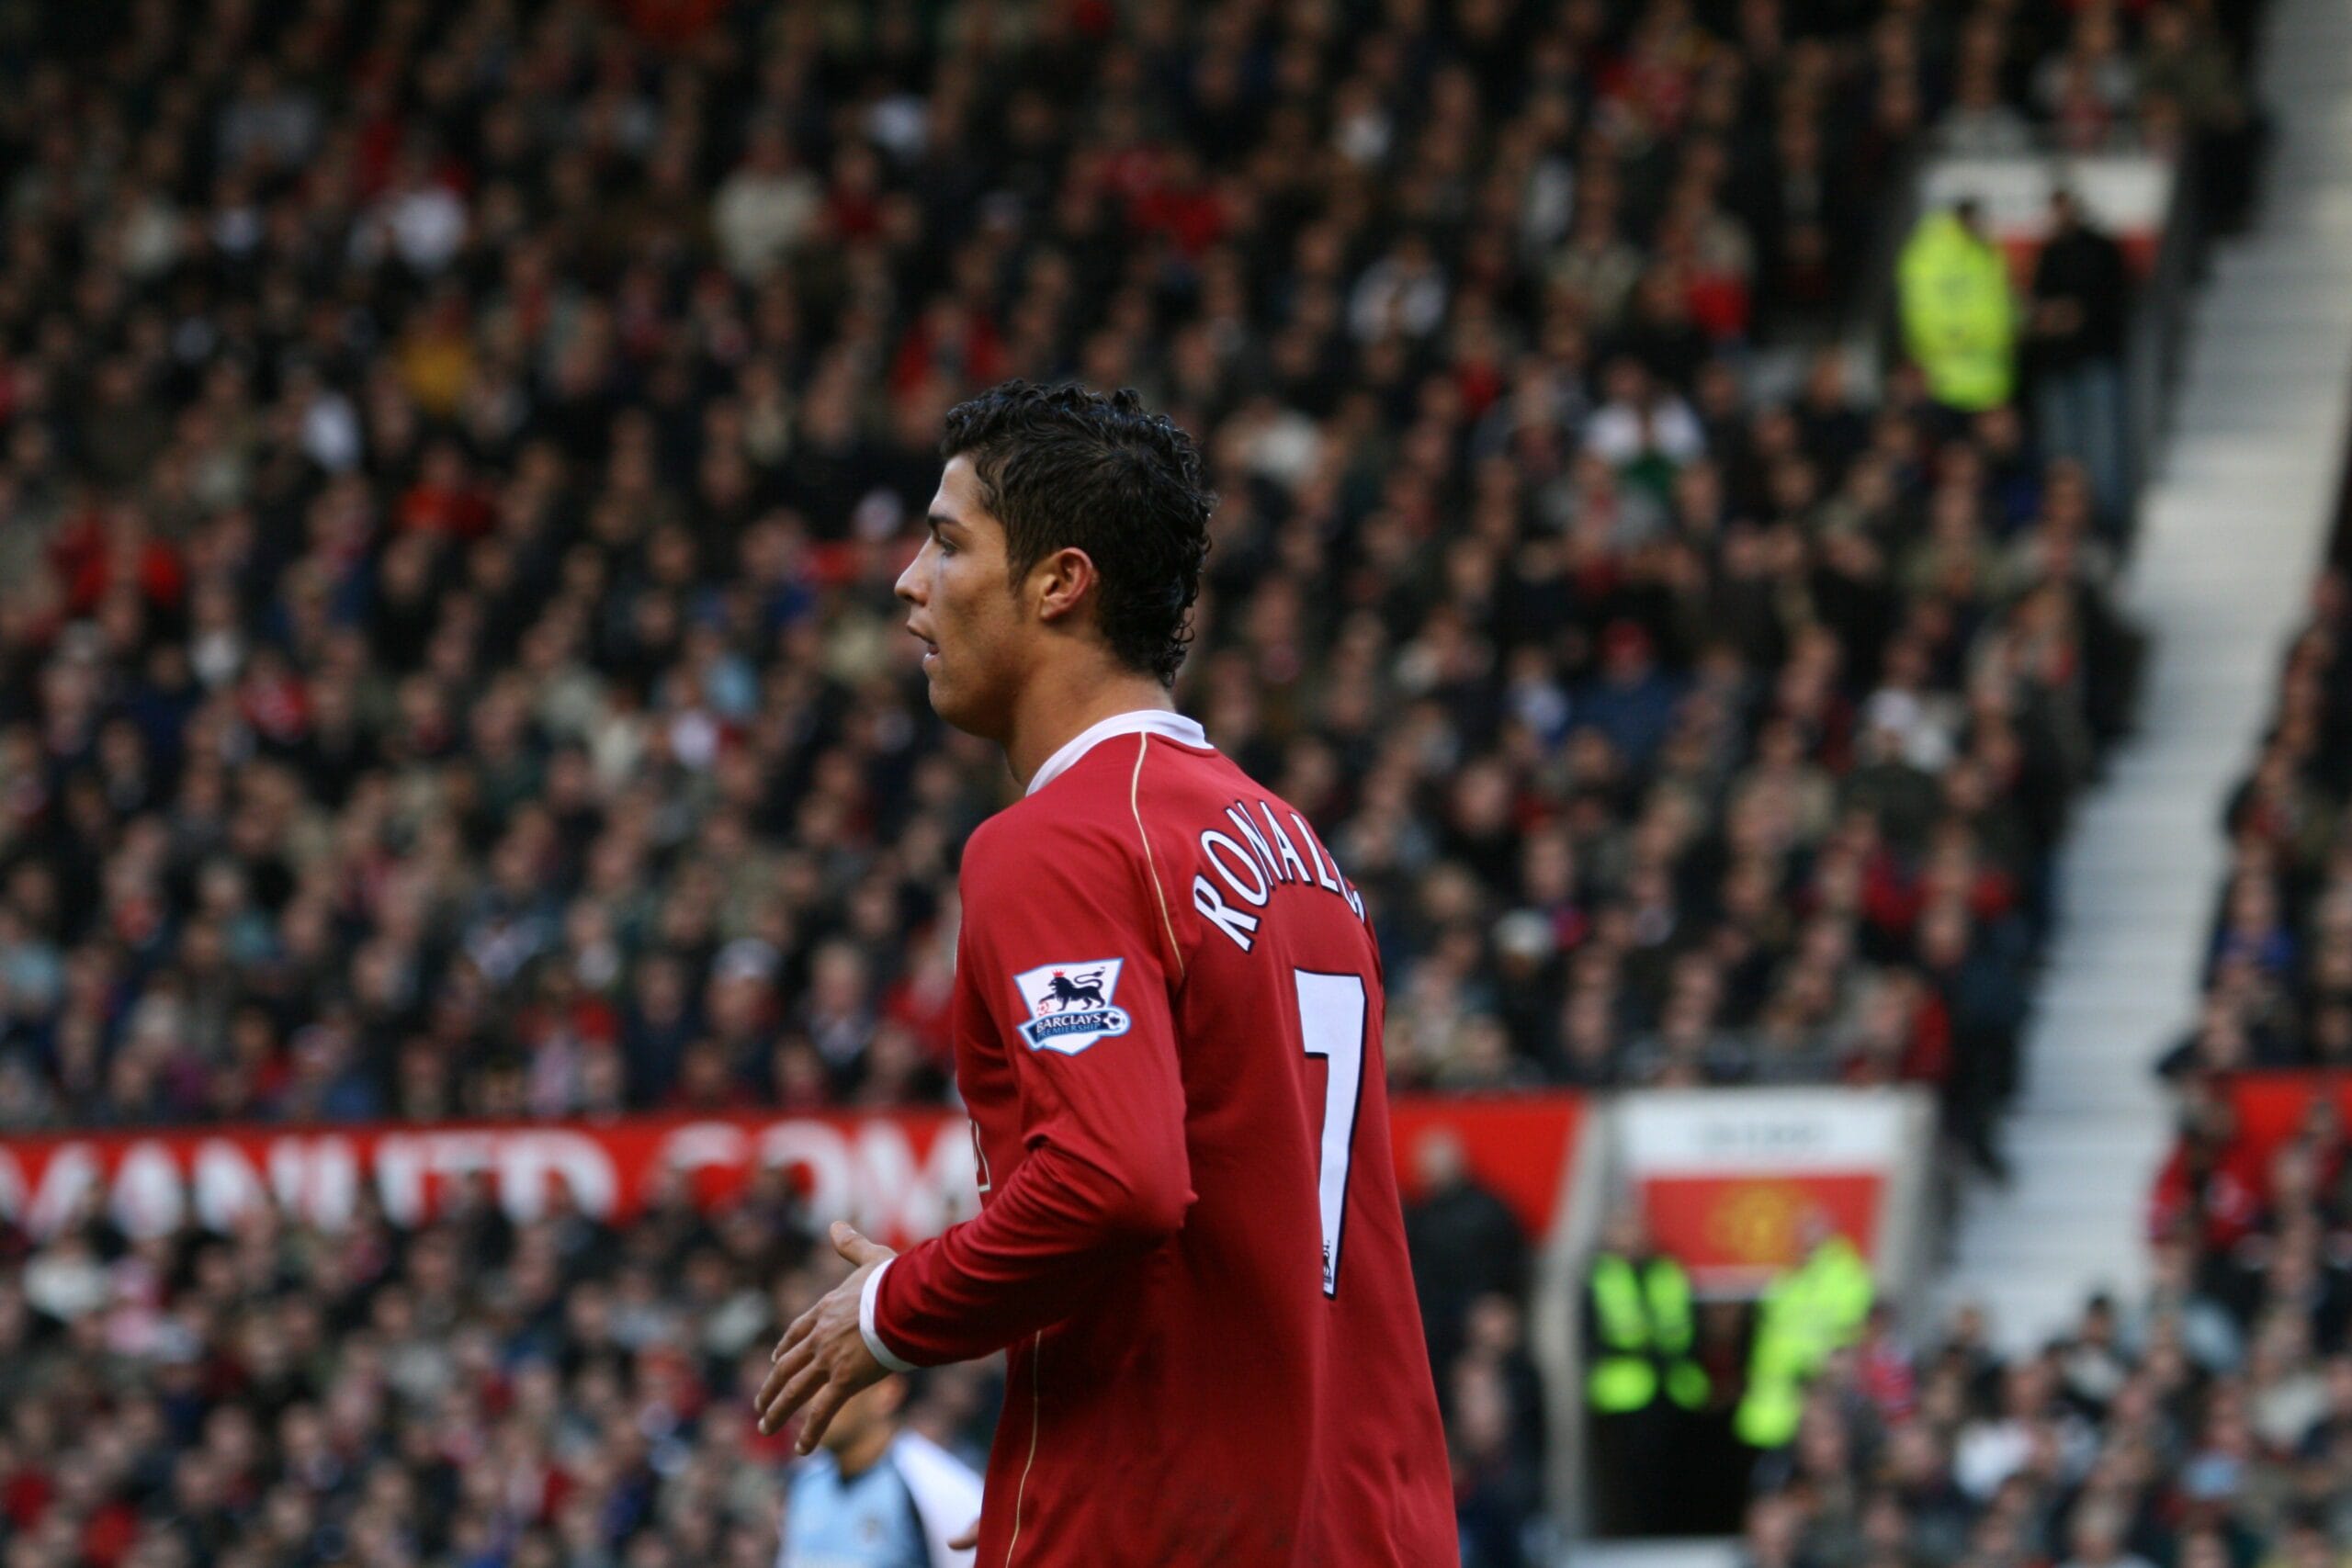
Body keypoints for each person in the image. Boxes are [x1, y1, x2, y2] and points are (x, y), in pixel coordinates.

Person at [754, 382, 1457, 1565]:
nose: (909, 583)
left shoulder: (1061, 841)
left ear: (1058, 583)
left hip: (1176, 1528)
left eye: (945, 543)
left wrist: (892, 1311)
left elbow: (1115, 1182)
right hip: (1357, 1524)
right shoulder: (1300, 853)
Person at [1582, 1207, 1708, 1537]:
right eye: (1620, 1229)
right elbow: (1591, 1340)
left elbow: (1693, 1326)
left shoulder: (1668, 1272)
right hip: (1623, 1395)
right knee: (1628, 1479)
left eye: (1633, 1228)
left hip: (1674, 1388)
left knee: (1676, 1473)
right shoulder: (1601, 1276)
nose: (1628, 1237)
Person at [775, 1375, 982, 1568]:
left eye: (830, 1381)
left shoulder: (940, 1488)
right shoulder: (804, 1479)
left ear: (887, 1392)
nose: (810, 1401)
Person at [2028, 190, 2130, 523]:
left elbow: (2114, 303)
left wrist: (2077, 314)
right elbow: (2038, 308)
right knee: (2060, 455)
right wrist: (2049, 317)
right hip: (2055, 366)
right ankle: (2062, 525)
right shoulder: (2049, 252)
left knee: (2102, 452)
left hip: (2096, 362)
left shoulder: (2102, 249)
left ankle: (2106, 523)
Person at [1734, 1213, 1875, 1451]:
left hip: (1812, 1400)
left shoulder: (1846, 1279)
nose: (1801, 1244)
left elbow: (1846, 1344)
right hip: (1771, 1402)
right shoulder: (1789, 1278)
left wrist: (1817, 1374)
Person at [1897, 200, 2018, 420]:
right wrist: (1964, 335)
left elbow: (1999, 307)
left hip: (1991, 381)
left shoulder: (1986, 252)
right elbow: (1921, 312)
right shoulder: (1930, 253)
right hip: (1943, 382)